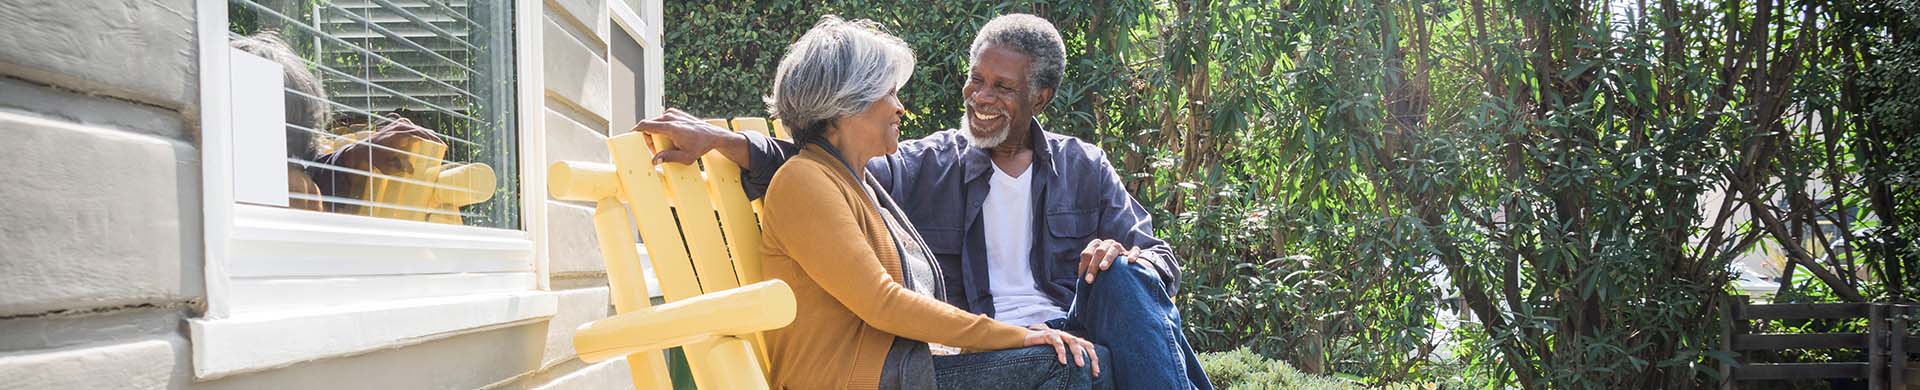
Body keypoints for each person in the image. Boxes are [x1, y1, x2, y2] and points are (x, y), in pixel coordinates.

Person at [637, 14, 1212, 389]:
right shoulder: (915, 166)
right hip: (968, 344)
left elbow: (1160, 261)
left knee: (1126, 279)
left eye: (1002, 87)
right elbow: (812, 168)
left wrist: (1126, 256)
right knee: (1090, 368)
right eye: (975, 80)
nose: (979, 97)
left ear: (1042, 95)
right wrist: (729, 141)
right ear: (851, 104)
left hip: (1058, 324)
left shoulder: (1084, 166)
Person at [747, 16, 1108, 389]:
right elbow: (884, 304)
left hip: (905, 369)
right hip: (858, 380)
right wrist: (1016, 336)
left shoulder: (864, 186)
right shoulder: (804, 181)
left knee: (1091, 360)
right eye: (889, 93)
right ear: (846, 106)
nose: (900, 107)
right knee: (1065, 363)